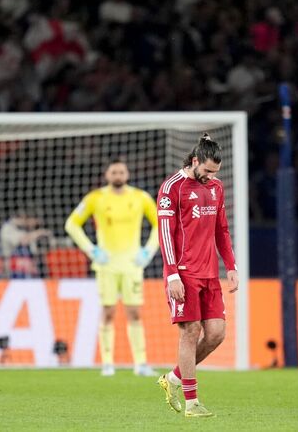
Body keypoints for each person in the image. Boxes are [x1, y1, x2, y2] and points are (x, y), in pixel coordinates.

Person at [156, 134, 239, 418]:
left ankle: (174, 379)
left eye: (215, 172)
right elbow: (165, 233)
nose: (211, 177)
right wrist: (171, 276)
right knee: (190, 332)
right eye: (207, 171)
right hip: (184, 273)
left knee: (216, 334)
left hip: (209, 273)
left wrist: (231, 266)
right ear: (195, 161)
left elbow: (222, 230)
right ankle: (192, 403)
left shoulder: (216, 187)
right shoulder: (172, 187)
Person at [64, 158, 159, 377]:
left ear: (127, 175)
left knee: (134, 313)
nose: (118, 175)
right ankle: (107, 363)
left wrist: (148, 251)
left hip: (132, 265)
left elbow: (160, 222)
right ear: (107, 175)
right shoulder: (95, 198)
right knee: (108, 312)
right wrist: (92, 250)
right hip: (106, 265)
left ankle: (141, 364)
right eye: (114, 172)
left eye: (121, 172)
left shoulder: (140, 198)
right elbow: (71, 224)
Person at [0, 209, 52, 278]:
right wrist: (39, 233)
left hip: (26, 269)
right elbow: (23, 240)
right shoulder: (7, 228)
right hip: (10, 267)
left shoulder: (23, 228)